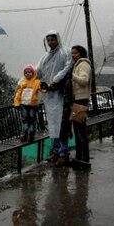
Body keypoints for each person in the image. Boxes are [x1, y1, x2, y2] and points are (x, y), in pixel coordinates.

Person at [36, 30, 72, 164]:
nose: (51, 42)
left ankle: (64, 153)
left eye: (53, 39)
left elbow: (68, 68)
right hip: (50, 96)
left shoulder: (65, 52)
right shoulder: (45, 57)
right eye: (48, 40)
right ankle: (56, 151)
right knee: (53, 124)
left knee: (62, 124)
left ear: (57, 39)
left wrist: (56, 80)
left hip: (62, 94)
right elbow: (38, 71)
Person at [69, 45, 92, 169]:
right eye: (72, 53)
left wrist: (72, 76)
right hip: (77, 99)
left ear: (81, 54)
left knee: (81, 131)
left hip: (81, 99)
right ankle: (79, 158)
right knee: (77, 130)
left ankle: (84, 159)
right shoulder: (77, 64)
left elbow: (84, 80)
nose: (73, 55)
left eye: (76, 53)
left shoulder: (83, 64)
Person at [14, 64, 45, 142]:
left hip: (32, 106)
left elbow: (42, 90)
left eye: (29, 72)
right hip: (24, 105)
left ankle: (31, 134)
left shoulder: (36, 82)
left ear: (33, 73)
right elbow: (18, 94)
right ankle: (24, 134)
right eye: (26, 72)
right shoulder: (23, 83)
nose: (27, 74)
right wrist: (17, 103)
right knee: (25, 120)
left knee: (32, 119)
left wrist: (46, 87)